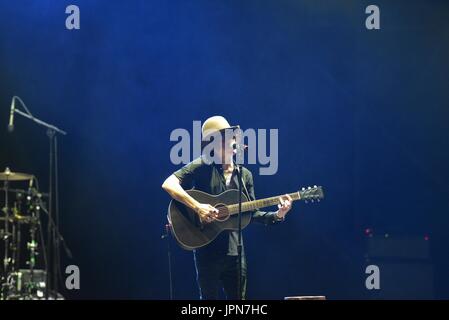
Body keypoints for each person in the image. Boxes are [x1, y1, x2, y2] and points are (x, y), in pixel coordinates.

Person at [162, 116, 292, 299]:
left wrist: (279, 214)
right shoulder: (203, 165)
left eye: (231, 137)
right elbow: (169, 183)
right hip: (207, 249)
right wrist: (198, 207)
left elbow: (251, 213)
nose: (230, 141)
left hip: (236, 255)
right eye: (223, 138)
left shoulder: (244, 175)